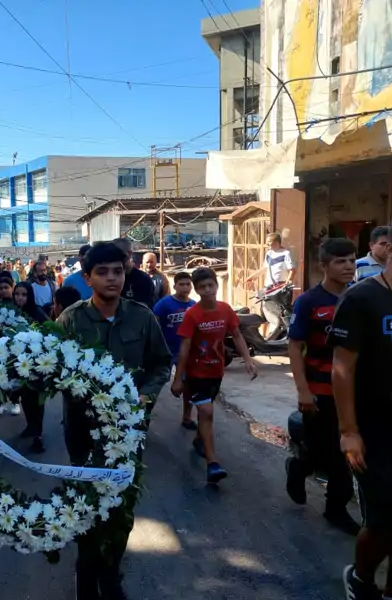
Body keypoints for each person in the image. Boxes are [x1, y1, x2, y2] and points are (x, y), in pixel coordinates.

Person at [56, 241, 171, 600]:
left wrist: (145, 396)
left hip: (128, 431)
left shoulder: (142, 316)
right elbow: (52, 369)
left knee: (121, 506)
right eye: (102, 272)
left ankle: (111, 571)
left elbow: (160, 364)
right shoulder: (71, 319)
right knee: (89, 502)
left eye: (118, 271)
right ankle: (86, 574)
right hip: (83, 432)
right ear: (87, 277)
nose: (112, 279)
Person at [329, 216, 392, 600]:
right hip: (375, 431)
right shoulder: (362, 298)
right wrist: (348, 430)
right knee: (389, 524)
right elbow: (342, 367)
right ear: (389, 249)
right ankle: (361, 577)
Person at [286, 238, 359, 535]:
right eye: (340, 262)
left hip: (352, 390)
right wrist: (303, 390)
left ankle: (336, 507)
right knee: (320, 449)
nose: (348, 267)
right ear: (324, 266)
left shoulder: (358, 299)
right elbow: (294, 347)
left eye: (352, 261)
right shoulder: (308, 302)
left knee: (342, 451)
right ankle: (299, 467)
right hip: (319, 389)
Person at [172, 267, 258, 483]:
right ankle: (212, 463)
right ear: (196, 290)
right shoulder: (192, 314)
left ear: (217, 286)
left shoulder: (226, 310)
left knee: (205, 412)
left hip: (216, 370)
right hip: (196, 373)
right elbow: (184, 347)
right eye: (202, 287)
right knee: (207, 411)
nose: (208, 290)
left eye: (211, 285)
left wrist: (248, 359)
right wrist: (178, 377)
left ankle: (200, 439)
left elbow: (237, 335)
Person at [153, 272, 197, 430]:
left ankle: (187, 417)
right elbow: (155, 324)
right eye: (182, 284)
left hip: (185, 352)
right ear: (175, 286)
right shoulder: (165, 304)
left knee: (188, 385)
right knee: (155, 384)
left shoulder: (193, 305)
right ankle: (143, 416)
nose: (185, 287)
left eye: (188, 284)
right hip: (165, 350)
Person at [245, 232, 295, 338]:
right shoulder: (269, 253)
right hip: (269, 288)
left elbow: (292, 270)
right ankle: (268, 336)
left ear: (277, 243)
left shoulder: (286, 253)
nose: (268, 245)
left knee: (285, 312)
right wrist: (252, 277)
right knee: (267, 311)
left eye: (270, 243)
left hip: (281, 288)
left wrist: (287, 283)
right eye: (267, 243)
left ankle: (291, 334)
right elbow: (264, 268)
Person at [112, 237, 154, 308]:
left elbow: (143, 309)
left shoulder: (143, 279)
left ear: (129, 254)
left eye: (119, 253)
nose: (115, 257)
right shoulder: (110, 278)